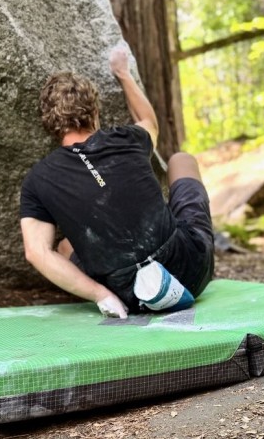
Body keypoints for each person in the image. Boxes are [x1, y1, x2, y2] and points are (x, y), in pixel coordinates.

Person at [19, 46, 214, 318]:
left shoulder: (37, 180)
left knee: (63, 248)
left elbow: (36, 252)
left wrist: (101, 295)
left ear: (49, 125)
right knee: (182, 159)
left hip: (131, 298)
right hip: (191, 270)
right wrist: (123, 73)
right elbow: (149, 121)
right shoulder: (127, 138)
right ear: (94, 113)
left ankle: (113, 289)